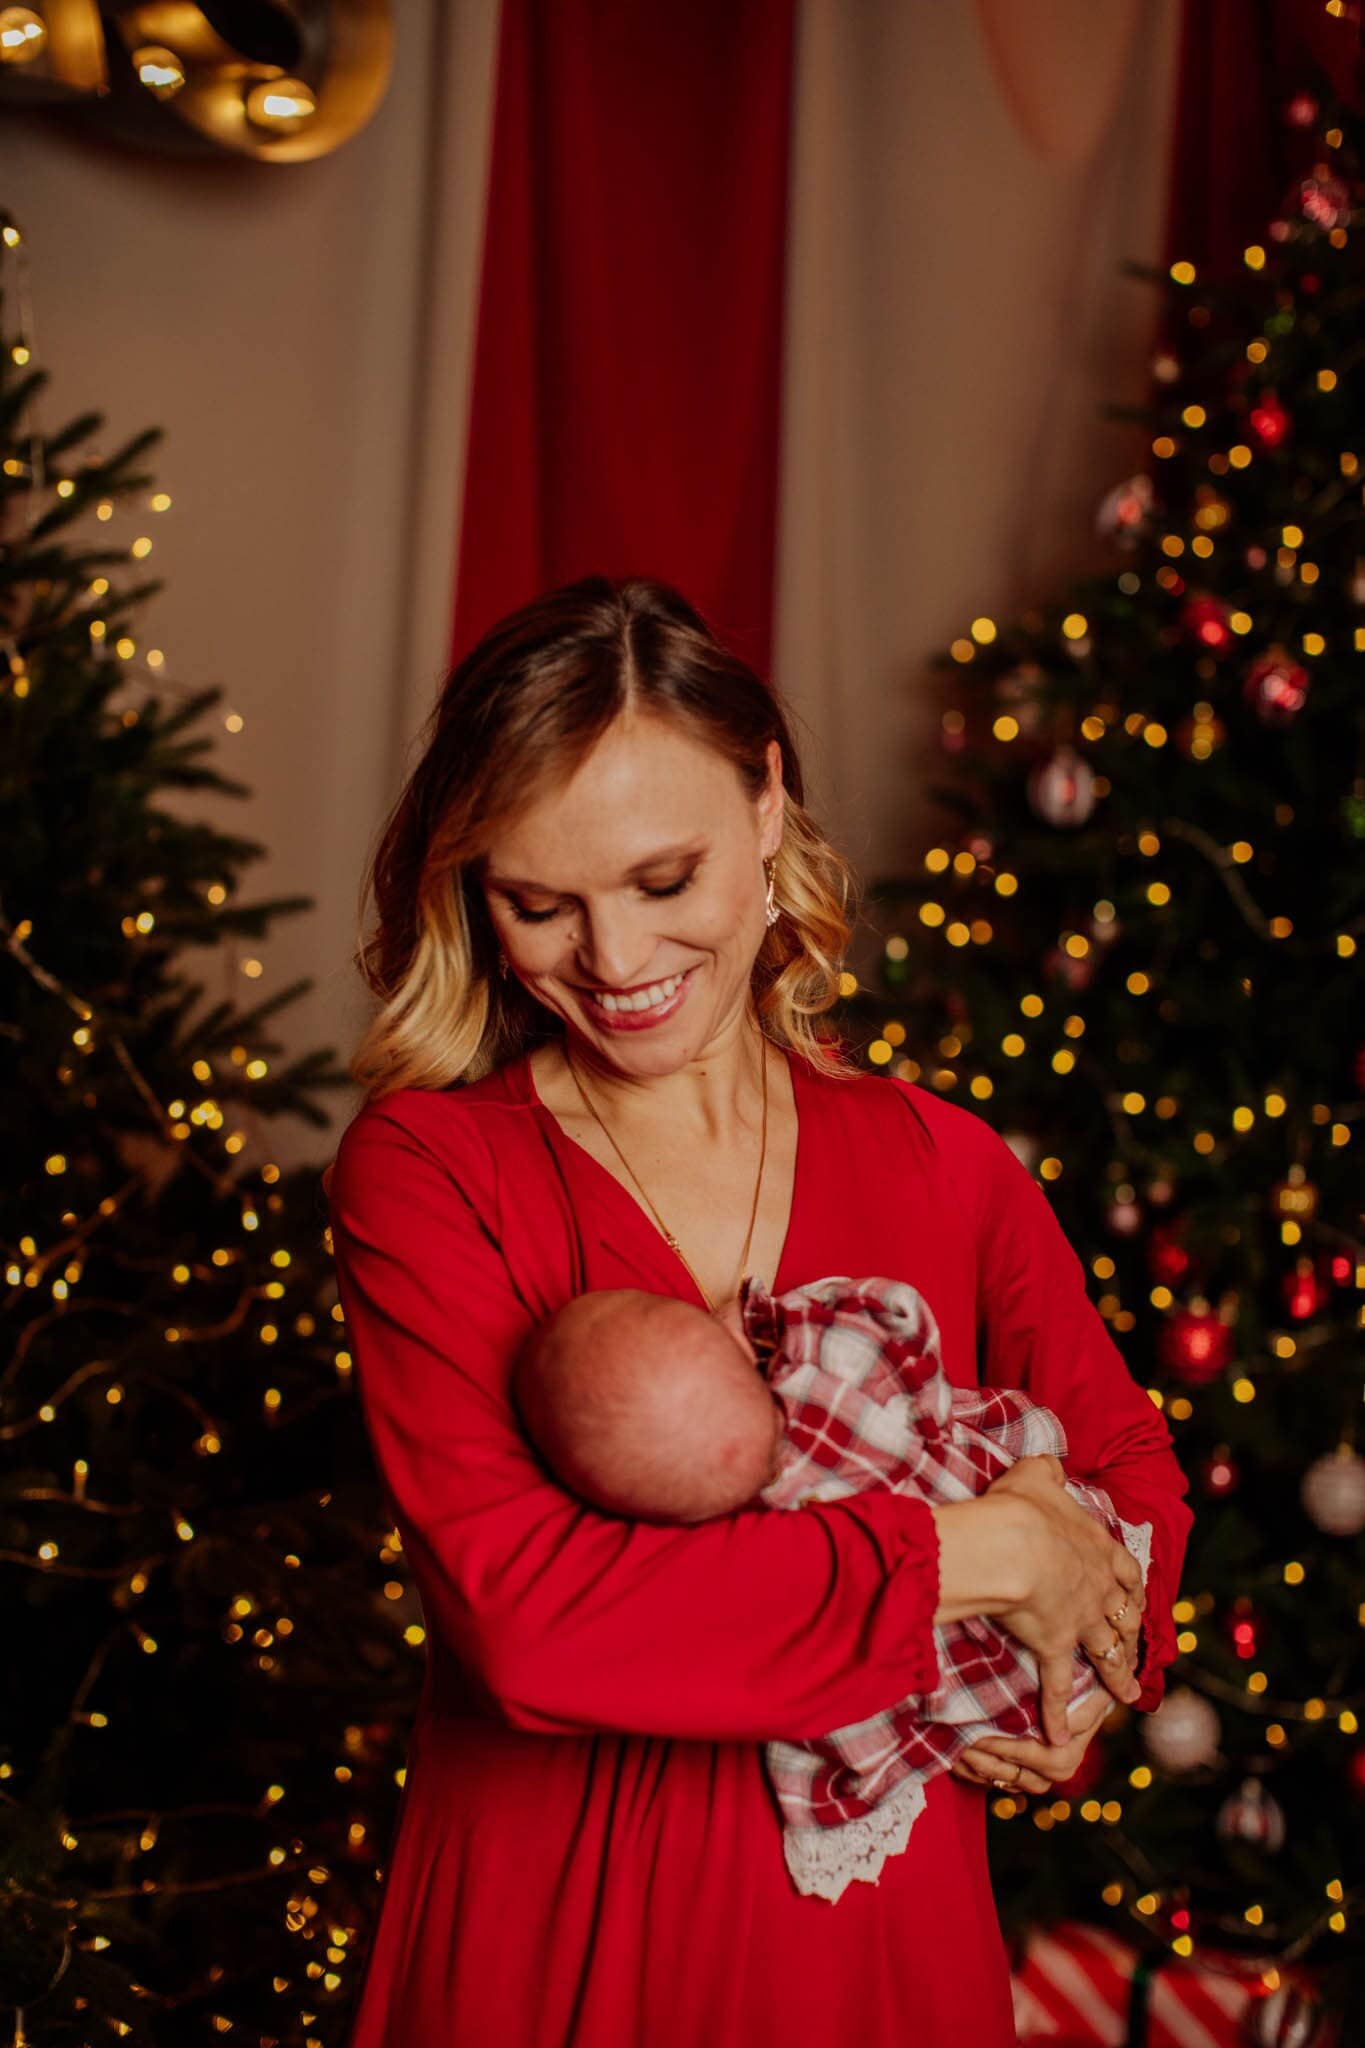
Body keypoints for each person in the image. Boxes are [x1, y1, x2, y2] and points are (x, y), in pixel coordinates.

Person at [326, 574, 1194, 2047]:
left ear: (767, 808)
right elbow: (532, 1626)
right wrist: (972, 1555)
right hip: (555, 1943)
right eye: (539, 904)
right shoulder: (428, 1173)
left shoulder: (943, 1163)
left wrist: (1085, 1685)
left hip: (871, 1954)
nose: (613, 965)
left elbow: (1130, 1478)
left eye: (664, 882)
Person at [509, 1272, 1154, 1905]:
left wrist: (1116, 1633)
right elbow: (894, 1316)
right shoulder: (827, 1375)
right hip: (1054, 1645)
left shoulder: (761, 1560)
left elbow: (843, 1752)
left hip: (1030, 1684)